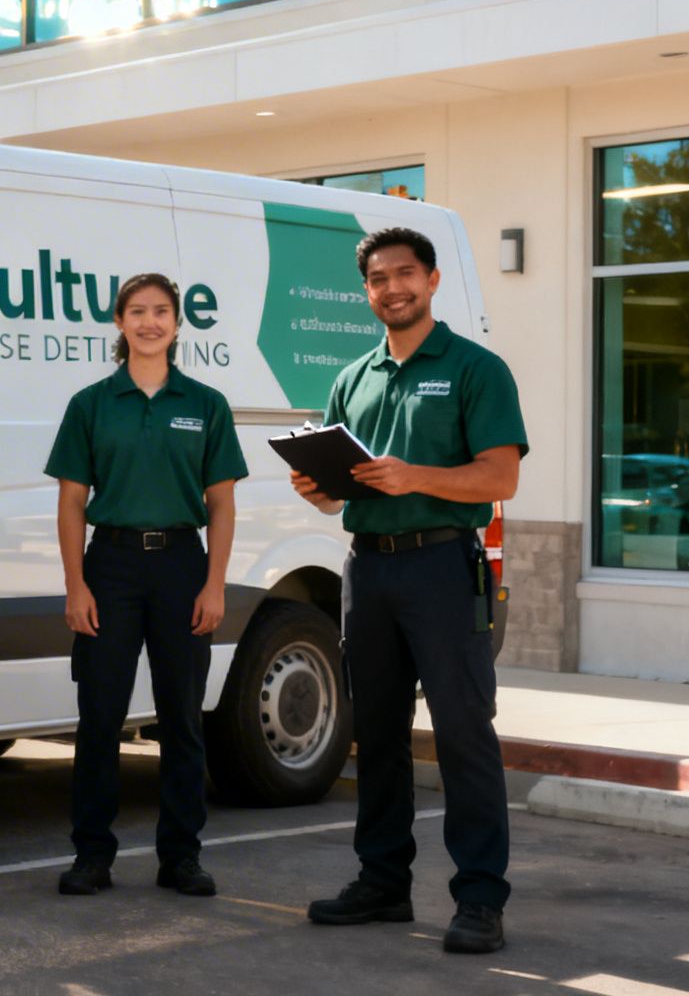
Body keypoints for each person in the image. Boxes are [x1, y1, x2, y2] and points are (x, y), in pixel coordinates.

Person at [293, 226, 526, 954]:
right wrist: (317, 488)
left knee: (462, 732)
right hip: (368, 567)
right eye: (377, 280)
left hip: (440, 567)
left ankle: (481, 898)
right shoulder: (352, 378)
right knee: (379, 732)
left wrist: (416, 475)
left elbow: (500, 477)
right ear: (366, 293)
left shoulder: (475, 369)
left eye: (404, 274)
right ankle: (383, 881)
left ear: (430, 281)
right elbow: (340, 496)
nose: (391, 288)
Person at [43, 273, 246, 898]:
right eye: (138, 311)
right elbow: (73, 502)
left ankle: (181, 856)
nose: (150, 322)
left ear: (179, 324)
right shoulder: (92, 403)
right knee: (99, 717)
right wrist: (76, 585)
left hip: (183, 563)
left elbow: (222, 505)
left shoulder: (205, 404)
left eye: (161, 312)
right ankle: (92, 857)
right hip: (112, 565)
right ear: (120, 322)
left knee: (182, 719)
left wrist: (216, 585)